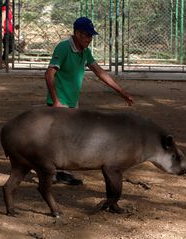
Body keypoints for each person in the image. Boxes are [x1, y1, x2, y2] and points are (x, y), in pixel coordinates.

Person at [45, 16, 134, 185]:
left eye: (91, 36)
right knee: (62, 139)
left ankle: (59, 172)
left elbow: (99, 72)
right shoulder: (64, 48)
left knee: (67, 138)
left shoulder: (85, 51)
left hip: (72, 102)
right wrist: (56, 101)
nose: (89, 39)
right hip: (60, 103)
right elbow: (49, 74)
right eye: (87, 35)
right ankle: (56, 172)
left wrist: (121, 91)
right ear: (77, 33)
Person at [0, 0, 14, 69]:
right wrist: (2, 29)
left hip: (9, 30)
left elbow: (10, 21)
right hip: (5, 30)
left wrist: (15, 31)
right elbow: (3, 19)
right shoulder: (4, 8)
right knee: (8, 47)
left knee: (10, 47)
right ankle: (4, 61)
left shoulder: (10, 9)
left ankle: (3, 60)